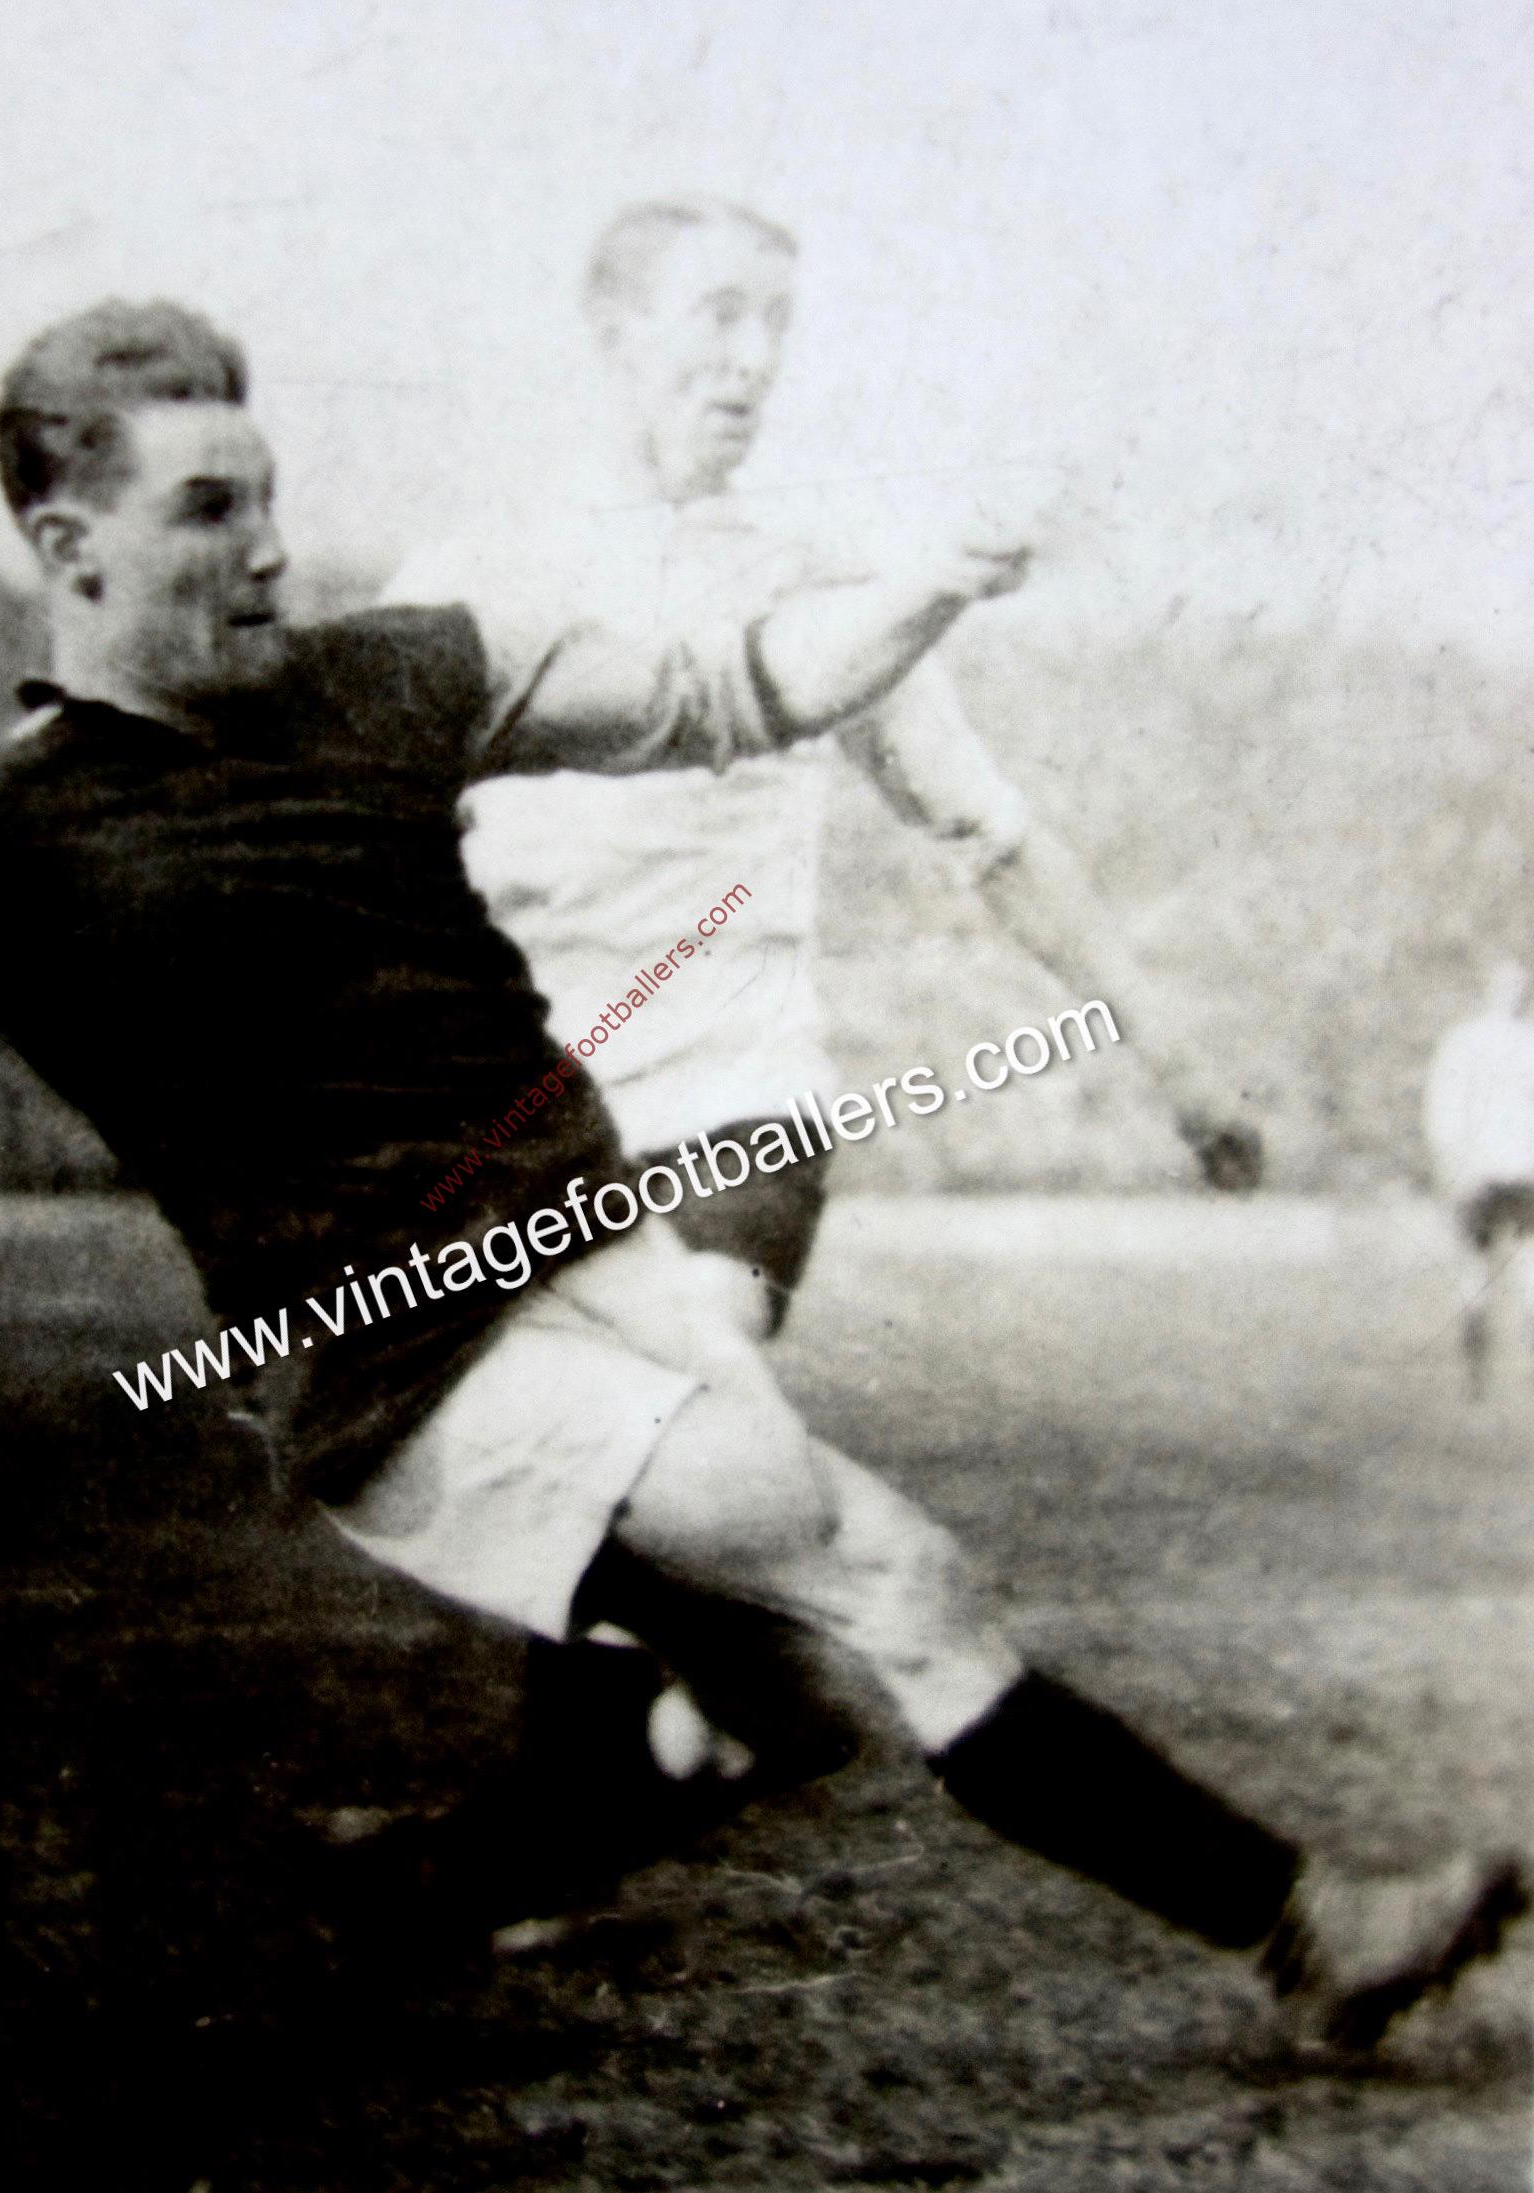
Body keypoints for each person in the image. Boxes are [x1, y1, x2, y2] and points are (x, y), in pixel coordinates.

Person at [0, 300, 1520, 2062]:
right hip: (413, 1368)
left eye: (273, 499)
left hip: (593, 1251)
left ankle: (436, 1886)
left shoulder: (393, 673)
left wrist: (933, 581)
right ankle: (1308, 1929)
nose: (270, 551)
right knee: (896, 1579)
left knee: (773, 1702)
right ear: (69, 546)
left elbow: (733, 684)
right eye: (209, 512)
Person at [382, 195, 1265, 1823]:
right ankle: (629, 1774)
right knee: (615, 1466)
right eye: (715, 314)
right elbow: (361, 836)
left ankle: (701, 1734)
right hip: (534, 1127)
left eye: (774, 321)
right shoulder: (476, 574)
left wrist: (1171, 1052)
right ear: (614, 327)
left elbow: (990, 832)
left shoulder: (817, 577)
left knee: (684, 1391)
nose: (750, 358)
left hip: (736, 1106)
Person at [1424, 958, 1534, 1401]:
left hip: (1500, 1172)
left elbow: (1442, 1110)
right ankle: (1494, 1378)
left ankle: (1481, 1381)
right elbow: (1444, 1109)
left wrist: (1451, 1162)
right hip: (1505, 1170)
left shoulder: (1467, 1042)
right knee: (1503, 1270)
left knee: (1490, 1271)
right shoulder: (1509, 1042)